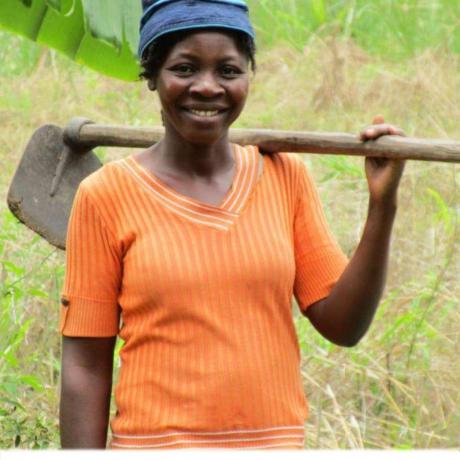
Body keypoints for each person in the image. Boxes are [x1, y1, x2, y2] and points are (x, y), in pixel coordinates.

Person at [59, 0, 405, 450]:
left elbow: (343, 325)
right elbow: (85, 366)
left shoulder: (285, 178)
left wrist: (382, 205)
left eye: (228, 70)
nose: (207, 87)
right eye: (184, 68)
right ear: (152, 76)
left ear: (247, 77)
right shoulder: (105, 195)